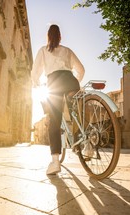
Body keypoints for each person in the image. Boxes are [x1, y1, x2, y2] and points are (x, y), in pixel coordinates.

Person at [31, 24, 85, 175]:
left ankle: (55, 163)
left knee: (54, 122)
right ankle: (88, 146)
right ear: (60, 36)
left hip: (54, 84)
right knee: (78, 116)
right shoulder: (67, 51)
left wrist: (36, 84)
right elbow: (81, 69)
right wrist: (76, 83)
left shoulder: (43, 50)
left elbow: (35, 72)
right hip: (71, 81)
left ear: (48, 37)